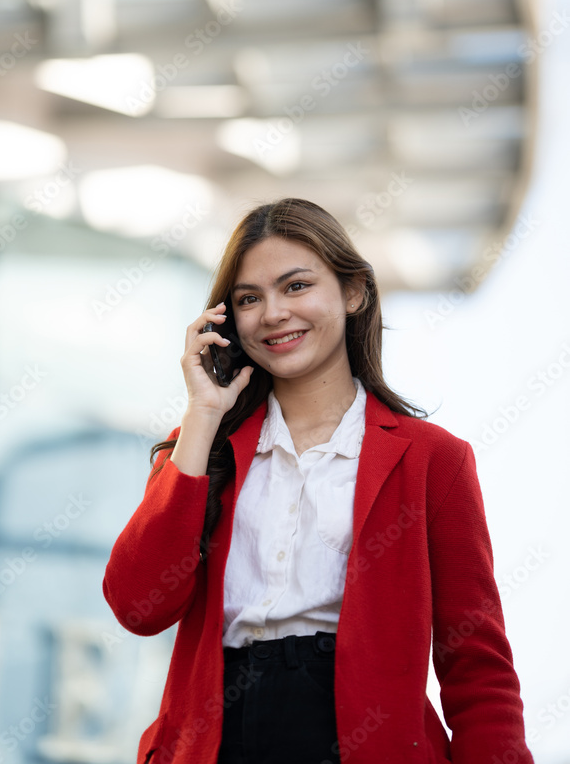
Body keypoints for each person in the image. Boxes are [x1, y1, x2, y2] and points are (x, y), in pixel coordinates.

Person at [102, 197, 533, 764]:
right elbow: (139, 607)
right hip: (219, 736)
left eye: (296, 286)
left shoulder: (434, 461)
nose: (273, 313)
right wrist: (202, 415)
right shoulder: (203, 447)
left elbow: (476, 665)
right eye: (249, 299)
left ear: (353, 292)